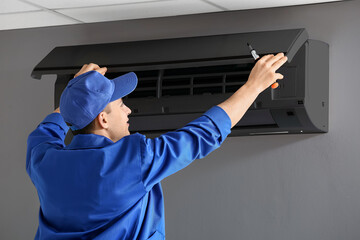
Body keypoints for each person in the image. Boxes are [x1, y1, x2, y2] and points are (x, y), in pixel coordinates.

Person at [26, 53, 287, 240]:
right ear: (103, 119)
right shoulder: (132, 161)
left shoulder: (44, 162)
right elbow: (201, 135)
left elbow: (48, 129)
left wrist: (79, 93)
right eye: (120, 105)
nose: (128, 110)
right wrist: (254, 86)